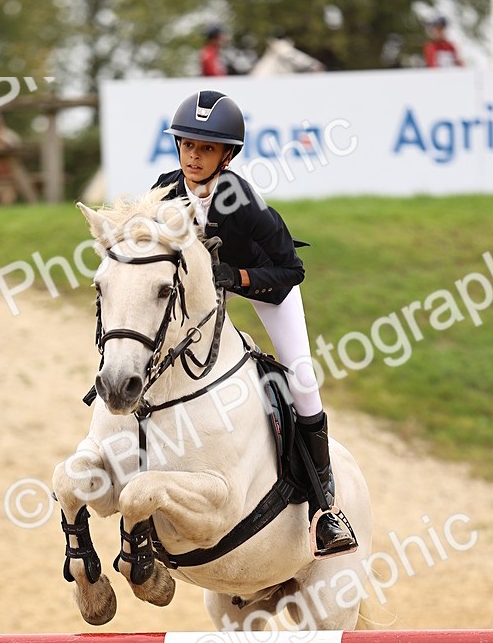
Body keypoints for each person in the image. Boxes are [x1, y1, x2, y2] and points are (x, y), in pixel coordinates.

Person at [152, 89, 357, 558]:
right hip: (207, 290)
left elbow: (291, 270)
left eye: (206, 148)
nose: (194, 157)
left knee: (302, 377)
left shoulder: (240, 200)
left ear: (227, 156)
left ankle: (325, 511)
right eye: (187, 145)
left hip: (266, 283)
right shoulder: (165, 190)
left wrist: (237, 277)